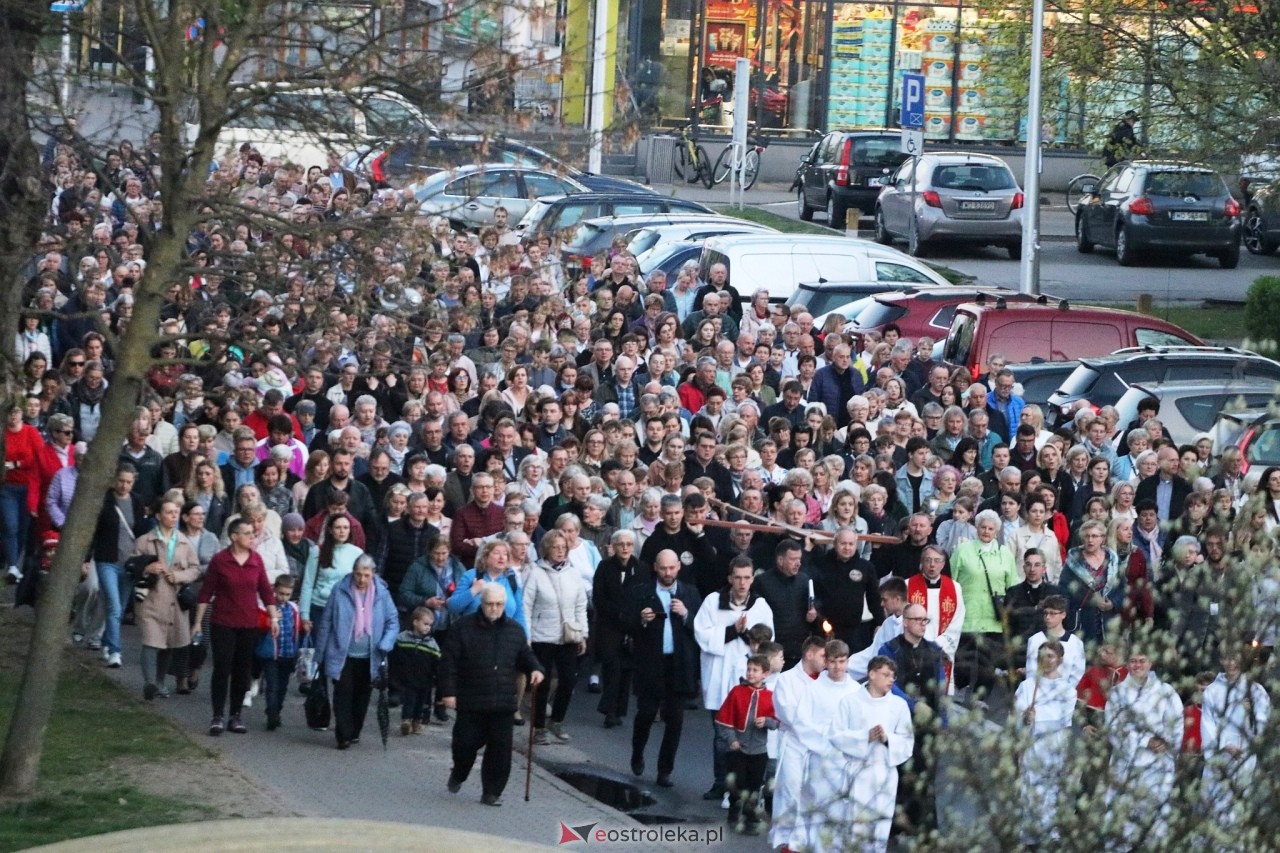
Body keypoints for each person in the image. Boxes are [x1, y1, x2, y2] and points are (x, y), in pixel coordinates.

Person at [441, 583, 546, 806]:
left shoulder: (514, 630)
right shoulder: (462, 628)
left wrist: (536, 669)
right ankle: (459, 772)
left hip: (502, 703)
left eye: (499, 604)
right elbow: (448, 662)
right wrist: (448, 692)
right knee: (464, 745)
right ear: (482, 603)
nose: (495, 609)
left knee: (500, 751)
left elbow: (525, 655)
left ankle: (492, 792)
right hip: (471, 700)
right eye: (490, 604)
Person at [694, 555, 774, 802]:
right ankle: (720, 782)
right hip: (719, 674)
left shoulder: (760, 606)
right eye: (737, 577)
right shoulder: (712, 602)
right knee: (722, 734)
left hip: (746, 677)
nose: (742, 583)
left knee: (746, 735)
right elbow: (701, 634)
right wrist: (731, 630)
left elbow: (766, 644)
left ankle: (741, 786)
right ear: (729, 578)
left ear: (752, 579)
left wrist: (746, 634)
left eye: (746, 578)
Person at [624, 548, 702, 788]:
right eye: (663, 568)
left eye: (672, 568)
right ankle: (637, 753)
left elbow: (700, 626)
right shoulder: (641, 592)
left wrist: (686, 614)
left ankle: (664, 770)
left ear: (678, 567)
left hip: (678, 665)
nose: (668, 573)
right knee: (646, 713)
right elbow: (626, 622)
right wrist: (641, 620)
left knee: (675, 719)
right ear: (655, 568)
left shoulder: (690, 592)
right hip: (650, 664)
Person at [821, 656, 914, 853]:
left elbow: (907, 741)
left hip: (885, 773)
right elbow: (836, 735)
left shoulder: (899, 706)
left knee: (880, 827)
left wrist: (888, 739)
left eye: (893, 676)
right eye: (886, 675)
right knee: (856, 824)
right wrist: (865, 736)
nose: (891, 680)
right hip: (859, 771)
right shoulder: (850, 701)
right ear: (871, 674)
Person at [196, 518, 278, 736]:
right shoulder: (220, 560)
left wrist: (274, 618)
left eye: (253, 533)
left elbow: (266, 591)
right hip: (223, 622)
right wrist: (197, 623)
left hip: (249, 623)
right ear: (234, 537)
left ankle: (235, 714)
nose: (252, 537)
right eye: (247, 533)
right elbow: (206, 592)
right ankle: (217, 715)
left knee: (243, 672)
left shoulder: (256, 560)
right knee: (222, 668)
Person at [314, 554, 399, 749]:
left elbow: (392, 621)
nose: (361, 579)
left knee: (362, 696)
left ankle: (354, 731)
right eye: (358, 574)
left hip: (370, 656)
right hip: (342, 653)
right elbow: (326, 622)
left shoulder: (382, 593)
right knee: (343, 694)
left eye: (366, 575)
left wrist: (386, 643)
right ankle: (343, 734)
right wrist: (319, 655)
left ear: (373, 574)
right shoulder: (339, 590)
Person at [1103, 646, 1183, 848]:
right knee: (1122, 817)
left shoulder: (1165, 692)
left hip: (1157, 763)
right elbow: (1114, 727)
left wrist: (1165, 742)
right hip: (1127, 764)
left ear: (1150, 662)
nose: (1137, 665)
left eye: (1142, 660)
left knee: (1154, 818)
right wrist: (1144, 741)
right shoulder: (1118, 693)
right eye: (1133, 661)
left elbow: (1176, 724)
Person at [794, 641, 864, 852]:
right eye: (832, 662)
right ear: (825, 662)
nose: (837, 667)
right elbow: (802, 724)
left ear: (848, 661)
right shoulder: (814, 689)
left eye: (842, 662)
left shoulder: (856, 691)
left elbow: (861, 725)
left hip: (847, 761)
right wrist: (828, 741)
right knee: (820, 810)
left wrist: (850, 745)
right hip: (821, 759)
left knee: (845, 811)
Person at [523, 529, 589, 745]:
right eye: (555, 547)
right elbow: (526, 606)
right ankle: (538, 727)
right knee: (541, 684)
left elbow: (581, 605)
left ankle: (557, 720)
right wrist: (527, 636)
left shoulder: (573, 573)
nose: (560, 551)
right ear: (546, 548)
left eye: (563, 547)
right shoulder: (535, 572)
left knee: (569, 680)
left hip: (568, 636)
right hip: (542, 636)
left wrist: (583, 634)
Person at [132, 497, 201, 700]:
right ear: (158, 516)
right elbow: (130, 565)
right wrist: (146, 568)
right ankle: (149, 683)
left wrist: (179, 576)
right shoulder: (145, 540)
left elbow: (195, 569)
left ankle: (160, 682)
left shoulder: (183, 541)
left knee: (169, 643)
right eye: (169, 512)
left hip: (175, 601)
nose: (173, 516)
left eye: (176, 513)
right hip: (151, 599)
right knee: (151, 641)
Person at [1013, 640, 1075, 846]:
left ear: (1059, 660)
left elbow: (1065, 724)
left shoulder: (1067, 690)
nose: (1045, 661)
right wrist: (1026, 718)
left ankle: (1049, 835)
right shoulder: (1027, 686)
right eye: (1042, 656)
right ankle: (1029, 836)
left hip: (1053, 748)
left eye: (1050, 656)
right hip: (1032, 747)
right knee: (1030, 792)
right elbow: (1017, 716)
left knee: (1051, 792)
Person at [1200, 644, 1270, 829]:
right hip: (1219, 756)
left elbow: (1263, 726)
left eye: (1235, 658)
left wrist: (1252, 713)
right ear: (1221, 660)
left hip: (1243, 757)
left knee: (1237, 809)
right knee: (1213, 808)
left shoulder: (1256, 691)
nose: (1231, 663)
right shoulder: (1212, 691)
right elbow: (1207, 724)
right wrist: (1224, 745)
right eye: (1226, 658)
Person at [768, 636, 826, 852]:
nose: (826, 661)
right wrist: (817, 727)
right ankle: (787, 840)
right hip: (794, 742)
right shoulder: (786, 680)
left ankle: (806, 840)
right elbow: (790, 714)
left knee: (813, 793)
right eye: (823, 656)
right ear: (809, 654)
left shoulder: (826, 681)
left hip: (819, 746)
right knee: (791, 792)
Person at [714, 653, 778, 835]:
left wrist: (766, 721)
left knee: (754, 785)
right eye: (749, 669)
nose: (750, 673)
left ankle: (750, 817)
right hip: (738, 748)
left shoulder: (769, 696)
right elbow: (724, 720)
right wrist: (731, 740)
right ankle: (734, 812)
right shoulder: (737, 692)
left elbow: (777, 722)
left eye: (755, 670)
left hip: (759, 751)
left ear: (765, 674)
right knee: (738, 783)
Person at [254, 574, 302, 730]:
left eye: (287, 594)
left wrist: (304, 627)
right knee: (272, 685)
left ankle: (277, 710)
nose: (283, 598)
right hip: (271, 654)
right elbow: (258, 623)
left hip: (288, 654)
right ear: (274, 590)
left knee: (283, 686)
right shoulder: (267, 607)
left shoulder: (293, 609)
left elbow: (297, 628)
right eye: (281, 593)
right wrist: (269, 620)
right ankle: (272, 713)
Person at [389, 605, 443, 736]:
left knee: (421, 702)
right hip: (408, 678)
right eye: (425, 624)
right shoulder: (402, 638)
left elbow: (437, 660)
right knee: (409, 699)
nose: (427, 627)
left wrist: (438, 675)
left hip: (425, 679)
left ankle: (416, 722)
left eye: (430, 625)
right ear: (415, 622)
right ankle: (406, 720)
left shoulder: (431, 643)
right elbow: (394, 656)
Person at [1023, 595, 1086, 686]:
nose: (1047, 617)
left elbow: (1077, 676)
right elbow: (1031, 672)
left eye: (1052, 613)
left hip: (1065, 695)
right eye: (1045, 613)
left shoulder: (1076, 643)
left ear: (1063, 615)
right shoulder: (1035, 640)